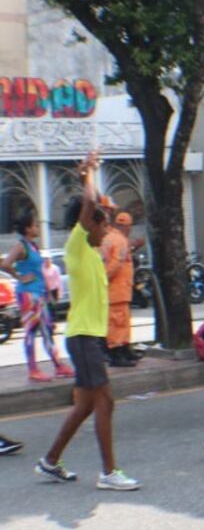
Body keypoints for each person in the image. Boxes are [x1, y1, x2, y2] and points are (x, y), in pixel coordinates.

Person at [34, 151, 140, 490]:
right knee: (105, 401)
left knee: (84, 407)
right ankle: (109, 473)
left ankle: (50, 461)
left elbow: (97, 208)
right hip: (82, 337)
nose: (107, 229)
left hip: (89, 337)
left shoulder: (92, 253)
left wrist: (97, 197)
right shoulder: (77, 244)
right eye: (103, 223)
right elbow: (89, 204)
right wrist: (87, 176)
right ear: (88, 224)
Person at [2, 209, 73, 382]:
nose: (37, 228)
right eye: (34, 225)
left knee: (47, 330)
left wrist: (47, 293)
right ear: (27, 229)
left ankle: (58, 366)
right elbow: (5, 264)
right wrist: (19, 276)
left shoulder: (33, 246)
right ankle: (33, 369)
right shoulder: (21, 246)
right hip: (28, 294)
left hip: (39, 294)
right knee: (31, 332)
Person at [100, 210, 137, 367]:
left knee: (120, 322)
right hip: (118, 290)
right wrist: (105, 280)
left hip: (117, 290)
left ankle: (123, 349)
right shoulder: (121, 240)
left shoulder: (108, 238)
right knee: (118, 323)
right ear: (127, 226)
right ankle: (117, 353)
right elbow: (116, 263)